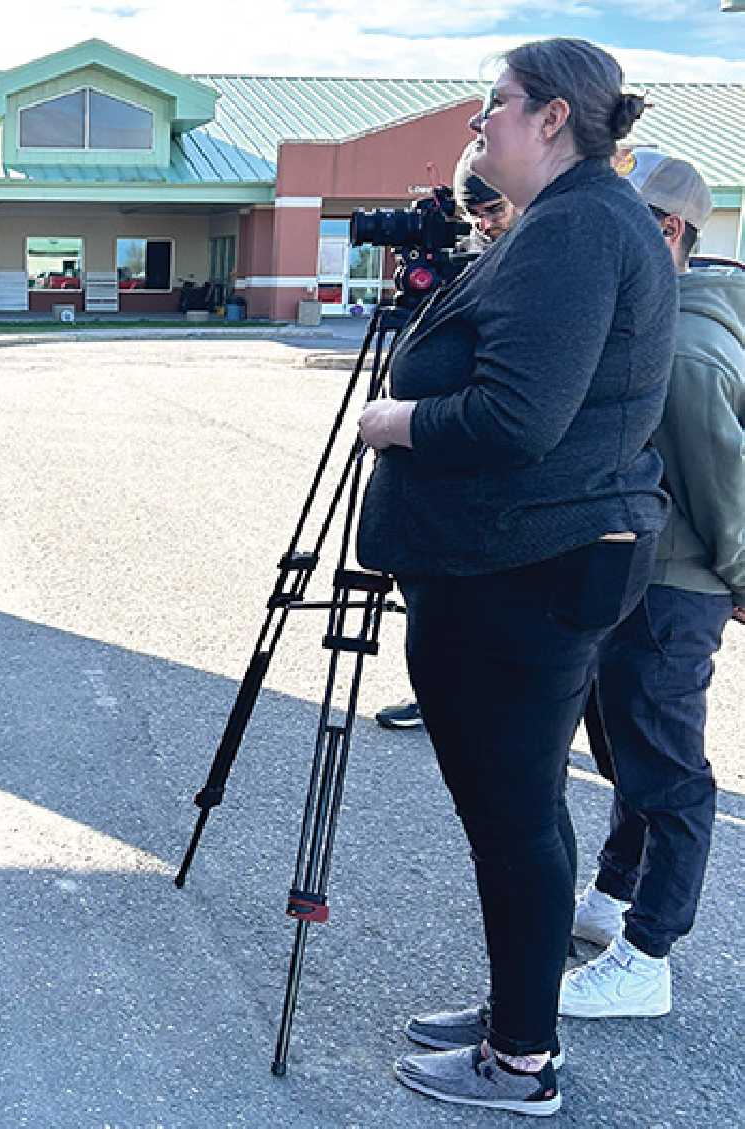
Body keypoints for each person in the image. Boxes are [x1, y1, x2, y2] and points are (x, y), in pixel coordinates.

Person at [355, 38, 677, 1115]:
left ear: (552, 118)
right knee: (524, 804)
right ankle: (515, 1012)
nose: (475, 122)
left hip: (521, 570)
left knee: (512, 814)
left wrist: (394, 421)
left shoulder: (580, 227)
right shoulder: (562, 222)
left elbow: (513, 418)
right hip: (522, 564)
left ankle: (520, 1059)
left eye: (493, 104)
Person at [560, 150, 745, 1019]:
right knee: (626, 749)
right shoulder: (653, 320)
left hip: (677, 589)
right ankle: (614, 894)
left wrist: (740, 582)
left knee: (669, 771)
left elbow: (726, 493)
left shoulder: (689, 350)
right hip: (635, 572)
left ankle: (650, 955)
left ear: (667, 231)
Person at [374, 142, 516, 733]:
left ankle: (518, 717)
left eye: (494, 210)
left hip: (503, 485)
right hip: (438, 480)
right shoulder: (469, 264)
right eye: (475, 214)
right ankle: (434, 693)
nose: (485, 223)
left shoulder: (540, 266)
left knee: (503, 612)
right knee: (438, 596)